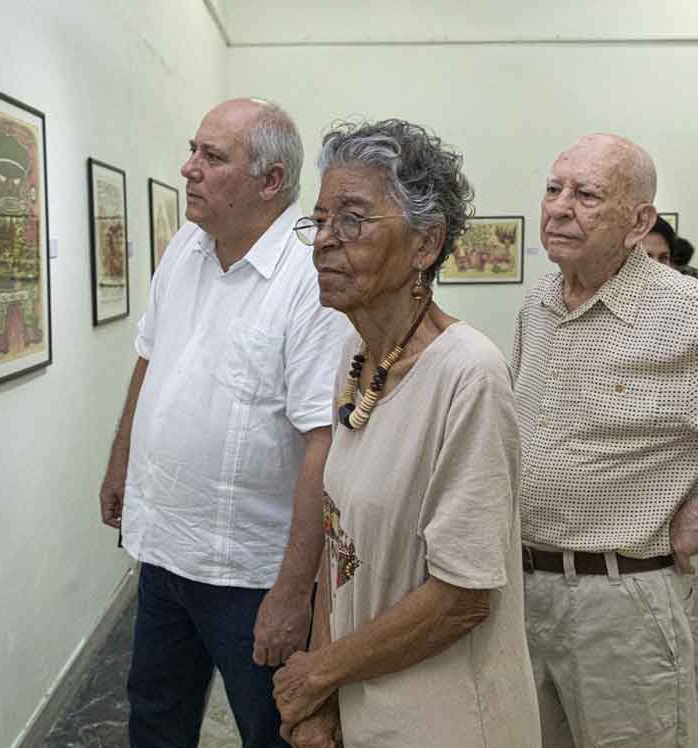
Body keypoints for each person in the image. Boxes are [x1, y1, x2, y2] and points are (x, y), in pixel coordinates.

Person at [271, 119, 540, 748]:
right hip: (366, 701)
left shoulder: (469, 375)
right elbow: (339, 542)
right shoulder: (355, 355)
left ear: (426, 244)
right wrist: (325, 697)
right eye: (320, 219)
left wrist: (318, 674)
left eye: (353, 220)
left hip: (445, 719)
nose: (324, 241)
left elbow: (462, 598)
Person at [98, 98, 348, 748]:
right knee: (155, 718)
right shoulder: (187, 246)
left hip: (252, 573)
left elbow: (323, 444)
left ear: (271, 181)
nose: (189, 168)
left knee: (272, 730)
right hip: (164, 551)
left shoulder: (309, 277)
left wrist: (292, 592)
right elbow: (150, 355)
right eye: (193, 150)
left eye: (212, 157)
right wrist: (121, 460)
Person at [513, 133, 698, 748]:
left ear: (639, 222)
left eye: (586, 195)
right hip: (524, 591)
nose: (559, 208)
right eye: (553, 189)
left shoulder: (686, 312)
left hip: (623, 602)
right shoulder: (536, 304)